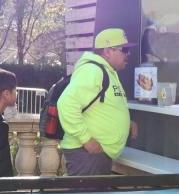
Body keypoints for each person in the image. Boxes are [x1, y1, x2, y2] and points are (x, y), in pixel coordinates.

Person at [59, 28, 138, 176]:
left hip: (94, 156)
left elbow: (101, 107)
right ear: (107, 51)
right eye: (125, 49)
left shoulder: (108, 71)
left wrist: (126, 123)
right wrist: (87, 140)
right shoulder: (93, 71)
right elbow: (66, 104)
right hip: (87, 155)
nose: (128, 54)